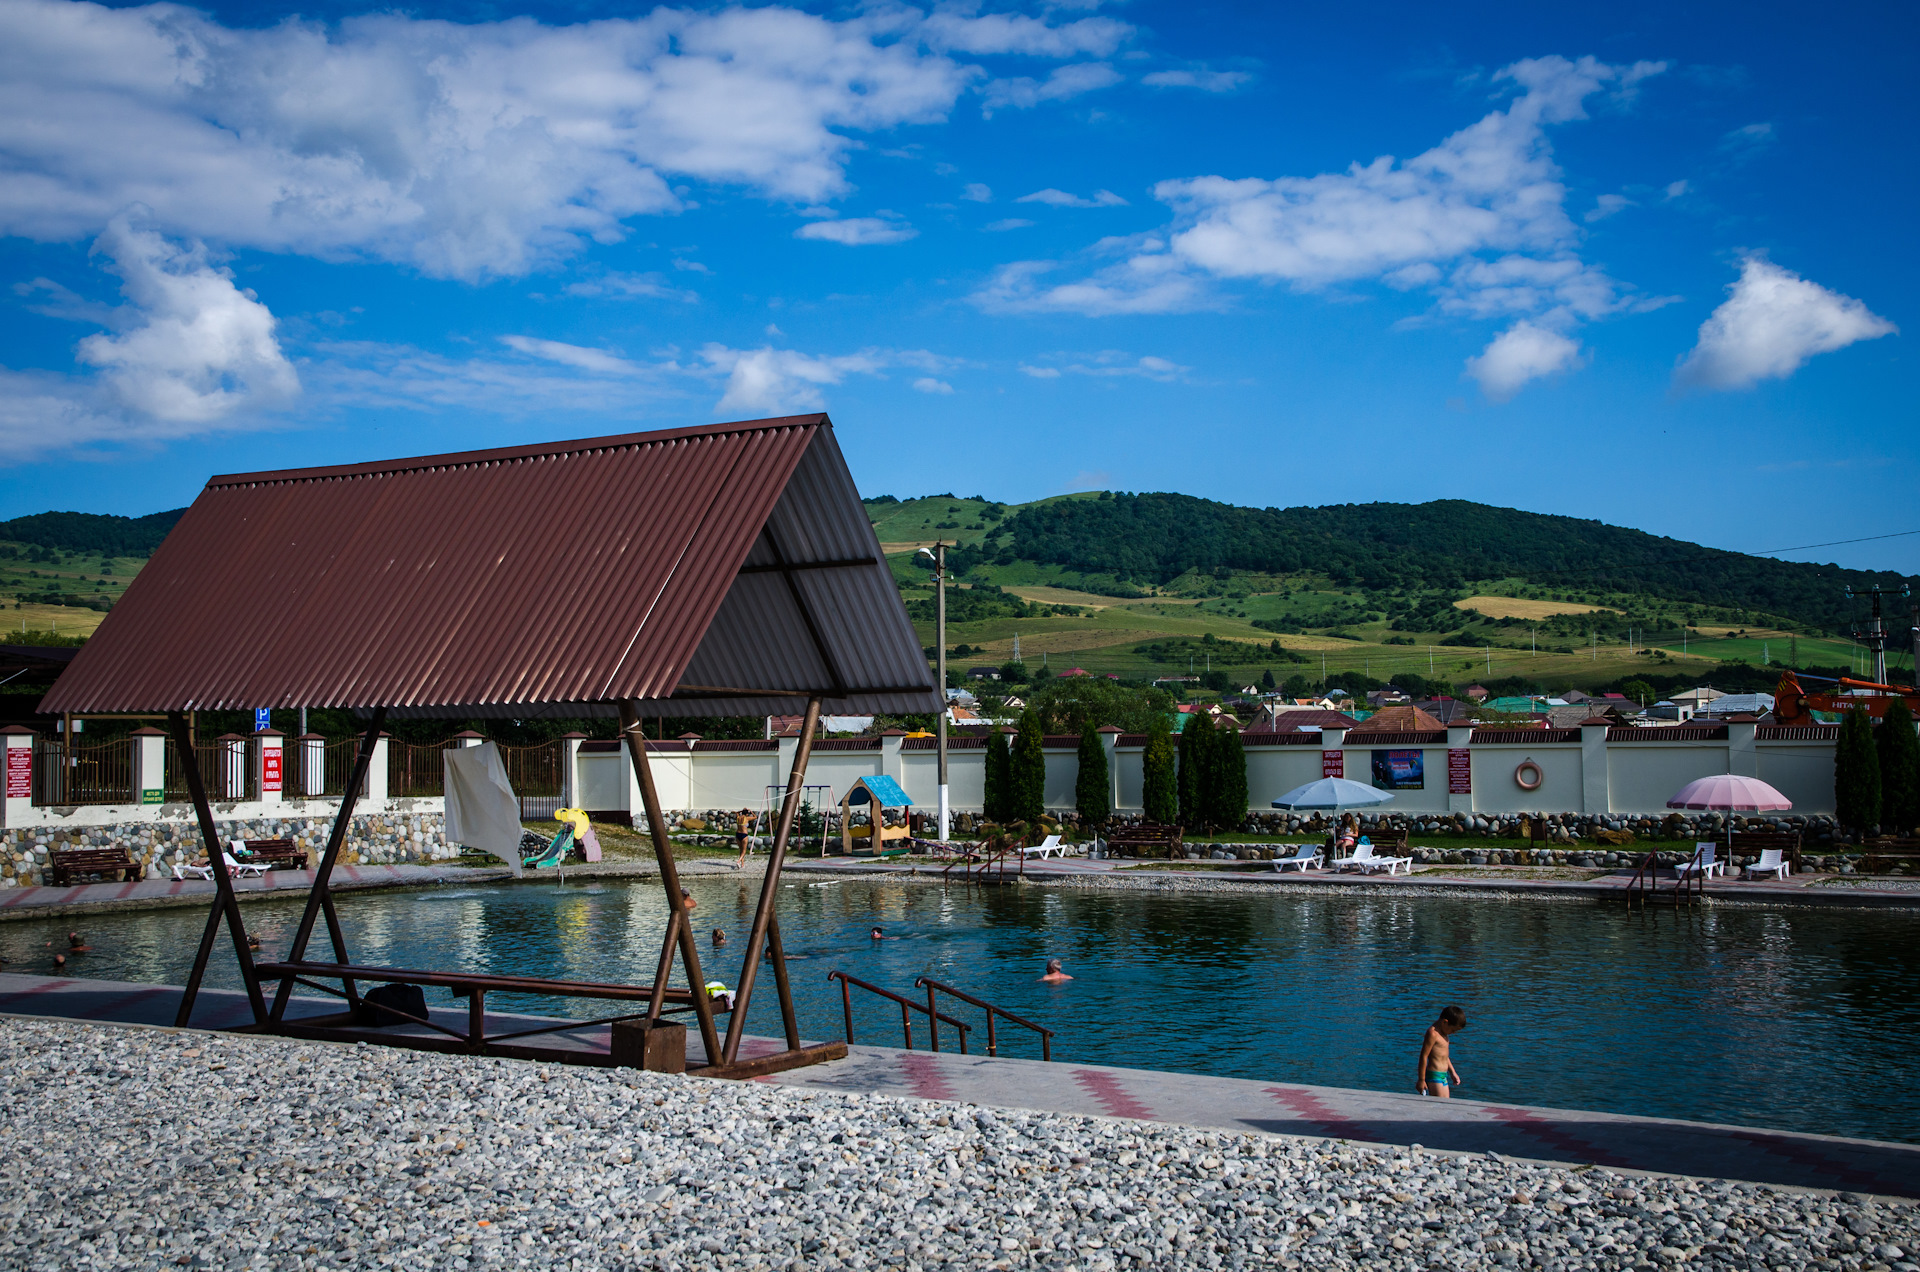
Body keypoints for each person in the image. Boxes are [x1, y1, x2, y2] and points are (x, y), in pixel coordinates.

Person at [1417, 1005, 1467, 1098]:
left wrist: (1452, 1072)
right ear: (1445, 1022)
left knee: (1445, 1105)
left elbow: (1444, 1056)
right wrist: (1421, 1080)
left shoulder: (1444, 1033)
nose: (1453, 1033)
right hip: (1435, 1075)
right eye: (1453, 1030)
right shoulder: (1433, 1034)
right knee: (1439, 1106)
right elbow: (1424, 1056)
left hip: (1444, 1076)